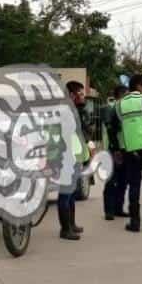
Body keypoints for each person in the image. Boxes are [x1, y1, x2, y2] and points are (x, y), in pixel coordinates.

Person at [109, 74, 142, 232]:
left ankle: (134, 222)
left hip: (130, 150)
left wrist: (117, 149)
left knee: (134, 185)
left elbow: (112, 129)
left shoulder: (118, 105)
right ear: (139, 86)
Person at [53, 80, 92, 241]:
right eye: (80, 93)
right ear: (71, 95)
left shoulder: (73, 110)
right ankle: (65, 229)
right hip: (66, 158)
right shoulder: (64, 111)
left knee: (72, 193)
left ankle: (72, 224)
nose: (83, 96)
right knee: (65, 194)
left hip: (74, 156)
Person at [103, 85, 129, 220]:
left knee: (123, 181)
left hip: (126, 148)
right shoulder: (110, 107)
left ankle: (119, 208)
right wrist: (116, 149)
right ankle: (109, 210)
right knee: (112, 181)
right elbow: (110, 129)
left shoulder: (125, 109)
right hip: (113, 149)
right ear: (121, 94)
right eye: (127, 94)